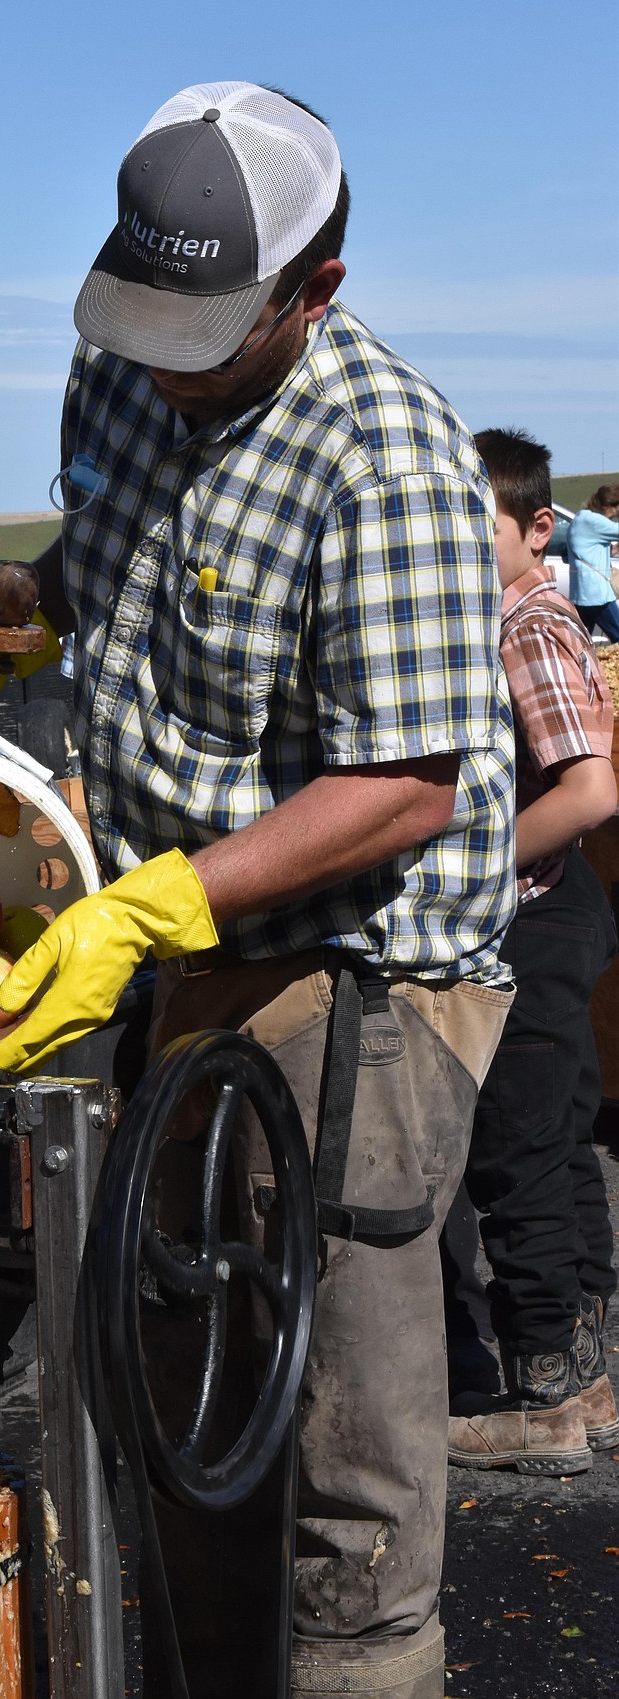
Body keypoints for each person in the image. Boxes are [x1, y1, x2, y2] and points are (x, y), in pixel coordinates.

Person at [0, 83, 516, 1699]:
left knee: (338, 1442)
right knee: (179, 1398)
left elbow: (404, 785)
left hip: (356, 962)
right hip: (186, 941)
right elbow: (119, 549)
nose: (162, 361)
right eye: (141, 317)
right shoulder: (124, 360)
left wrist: (153, 912)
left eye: (202, 336)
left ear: (316, 292)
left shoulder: (388, 453)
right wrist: (12, 620)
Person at [447, 430, 618, 1474]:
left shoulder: (524, 627)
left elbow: (591, 791)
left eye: (484, 528)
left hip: (533, 909)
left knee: (517, 1151)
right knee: (560, 1136)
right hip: (560, 908)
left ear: (537, 528)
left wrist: (479, 868)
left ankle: (545, 1394)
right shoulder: (529, 616)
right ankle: (589, 1381)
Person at [567, 483, 619, 642]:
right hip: (596, 595)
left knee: (579, 643)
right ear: (610, 506)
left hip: (582, 594)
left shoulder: (581, 518)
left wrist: (613, 550)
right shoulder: (594, 521)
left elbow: (588, 551)